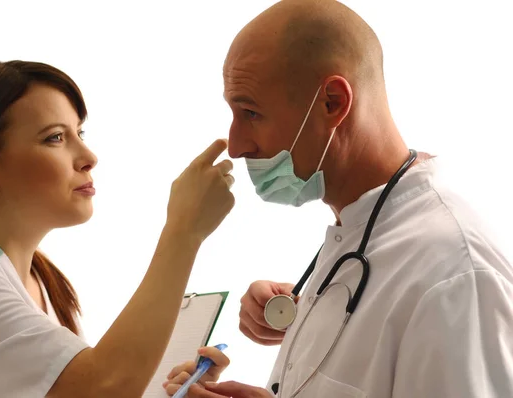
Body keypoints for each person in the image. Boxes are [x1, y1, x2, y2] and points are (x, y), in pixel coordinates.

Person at [163, 0, 513, 397]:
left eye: (251, 113)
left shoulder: (456, 275)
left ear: (333, 102)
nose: (238, 146)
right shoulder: (360, 228)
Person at [0, 60, 236, 398]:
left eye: (79, 133)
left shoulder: (41, 279)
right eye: (54, 138)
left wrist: (171, 391)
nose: (88, 156)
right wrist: (183, 231)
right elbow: (105, 387)